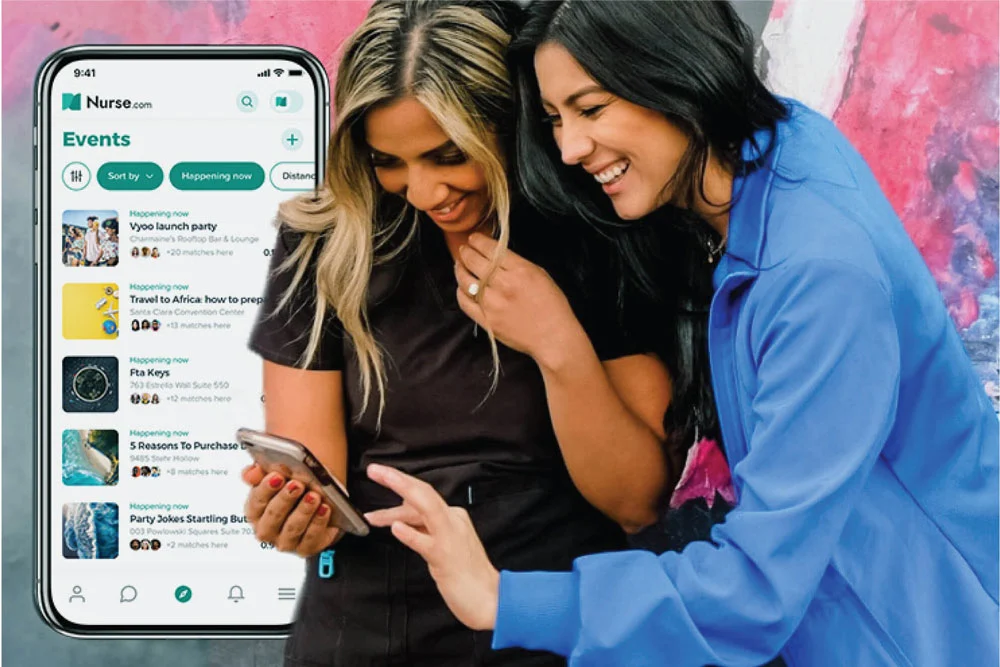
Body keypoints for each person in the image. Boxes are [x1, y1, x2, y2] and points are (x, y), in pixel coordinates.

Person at [364, 2, 1000, 666]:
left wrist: (504, 598)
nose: (569, 148)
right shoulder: (779, 152)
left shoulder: (817, 278)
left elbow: (755, 591)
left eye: (591, 108)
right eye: (555, 118)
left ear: (672, 73)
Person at [241, 1, 672, 665]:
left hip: (545, 620)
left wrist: (556, 342)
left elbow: (637, 502)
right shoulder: (328, 241)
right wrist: (298, 519)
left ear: (509, 120)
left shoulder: (595, 231)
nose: (424, 191)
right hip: (368, 631)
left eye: (448, 155)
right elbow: (314, 480)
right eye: (389, 161)